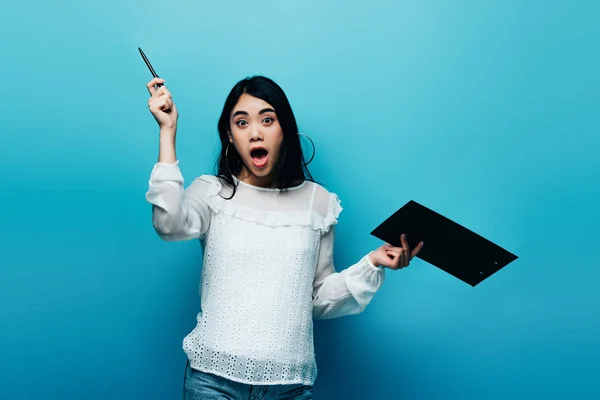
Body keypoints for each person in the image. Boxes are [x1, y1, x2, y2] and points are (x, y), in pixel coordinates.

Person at [144, 75, 424, 399]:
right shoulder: (212, 192)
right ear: (230, 136)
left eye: (267, 119)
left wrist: (373, 263)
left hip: (289, 388)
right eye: (242, 122)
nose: (255, 132)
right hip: (212, 382)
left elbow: (317, 298)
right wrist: (168, 131)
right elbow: (168, 224)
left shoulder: (318, 202)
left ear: (284, 131)